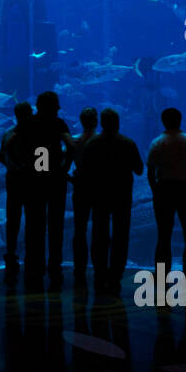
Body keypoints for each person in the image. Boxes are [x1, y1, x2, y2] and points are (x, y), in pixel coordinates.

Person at [9, 90, 74, 291]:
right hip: (55, 179)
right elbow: (71, 146)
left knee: (33, 225)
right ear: (53, 107)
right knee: (55, 226)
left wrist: (21, 165)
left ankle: (33, 268)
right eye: (56, 105)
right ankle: (55, 268)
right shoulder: (58, 123)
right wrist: (64, 166)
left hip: (33, 179)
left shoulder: (28, 122)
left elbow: (10, 144)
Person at [78, 108, 144, 293]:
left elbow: (84, 169)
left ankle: (100, 271)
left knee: (99, 234)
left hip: (99, 195)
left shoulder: (93, 143)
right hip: (122, 195)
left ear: (102, 123)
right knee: (121, 236)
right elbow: (139, 169)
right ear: (118, 123)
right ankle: (116, 274)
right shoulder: (128, 143)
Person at [146, 107, 186, 276]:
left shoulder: (157, 142)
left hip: (164, 189)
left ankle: (162, 270)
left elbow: (150, 171)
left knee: (163, 232)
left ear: (163, 121)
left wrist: (155, 189)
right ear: (180, 120)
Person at [0, 101, 32, 284]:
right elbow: (42, 156)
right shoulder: (35, 135)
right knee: (31, 218)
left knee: (13, 219)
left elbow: (1, 158)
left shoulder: (7, 133)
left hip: (13, 180)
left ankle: (11, 254)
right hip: (30, 181)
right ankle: (29, 254)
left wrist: (15, 168)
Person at [67, 106, 99, 288]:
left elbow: (61, 165)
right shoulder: (103, 140)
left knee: (79, 230)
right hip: (100, 187)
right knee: (99, 228)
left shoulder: (74, 140)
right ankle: (98, 266)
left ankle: (79, 268)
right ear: (96, 121)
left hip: (80, 186)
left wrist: (71, 178)